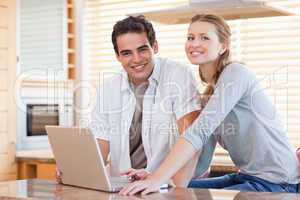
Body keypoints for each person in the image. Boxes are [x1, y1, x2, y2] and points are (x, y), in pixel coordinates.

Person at [119, 14, 300, 195]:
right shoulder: (209, 97)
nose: (194, 43)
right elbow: (199, 160)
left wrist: (157, 179)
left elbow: (198, 132)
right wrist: (155, 176)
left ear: (223, 46)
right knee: (170, 192)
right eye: (191, 37)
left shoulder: (237, 73)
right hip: (247, 176)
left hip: (278, 182)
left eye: (204, 37)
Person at [88, 15, 204, 186]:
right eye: (126, 53)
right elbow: (99, 146)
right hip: (123, 188)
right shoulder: (108, 88)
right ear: (117, 56)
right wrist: (77, 171)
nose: (136, 59)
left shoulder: (178, 75)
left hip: (166, 185)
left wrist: (160, 180)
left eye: (142, 49)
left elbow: (191, 137)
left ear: (155, 46)